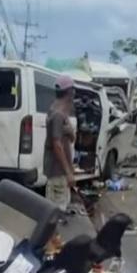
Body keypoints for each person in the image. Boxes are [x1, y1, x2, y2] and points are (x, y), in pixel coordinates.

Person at [43, 74, 77, 211]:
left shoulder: (58, 111)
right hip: (57, 170)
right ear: (69, 92)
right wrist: (68, 172)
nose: (74, 93)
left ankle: (54, 232)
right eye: (73, 90)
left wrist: (70, 131)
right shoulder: (57, 115)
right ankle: (53, 233)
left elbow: (71, 139)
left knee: (58, 206)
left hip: (59, 170)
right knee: (56, 210)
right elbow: (57, 145)